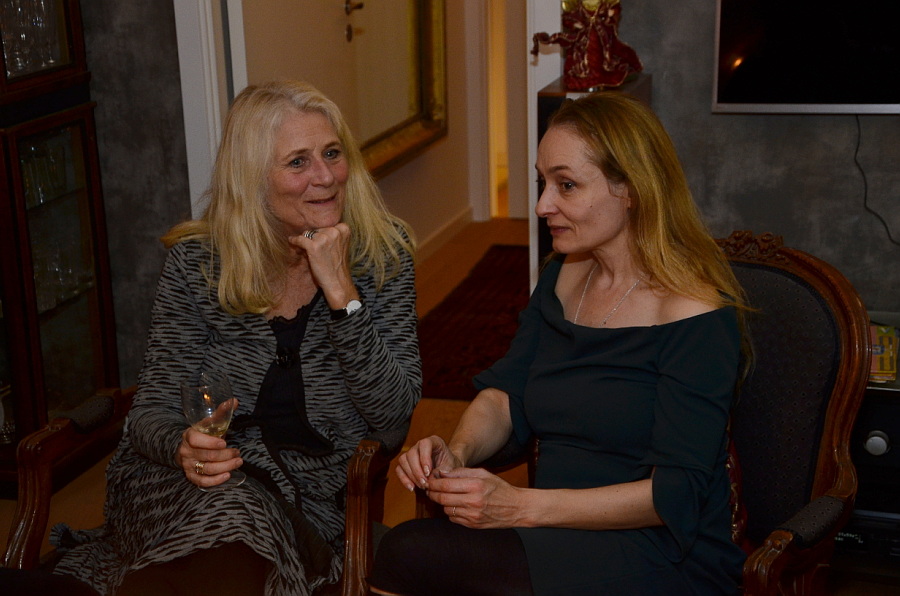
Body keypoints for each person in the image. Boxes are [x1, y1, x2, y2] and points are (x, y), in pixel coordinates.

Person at [49, 80, 421, 596]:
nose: (325, 176)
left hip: (303, 499)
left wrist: (342, 293)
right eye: (298, 162)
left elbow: (393, 419)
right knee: (227, 517)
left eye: (333, 153)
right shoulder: (199, 263)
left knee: (235, 524)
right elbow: (150, 411)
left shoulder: (382, 256)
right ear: (252, 178)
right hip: (179, 483)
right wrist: (182, 447)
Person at [369, 92, 748, 595]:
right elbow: (505, 396)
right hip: (551, 528)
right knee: (408, 553)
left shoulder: (695, 315)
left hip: (659, 549)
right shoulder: (562, 278)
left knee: (408, 553)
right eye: (542, 183)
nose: (543, 205)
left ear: (631, 189)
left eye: (566, 185)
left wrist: (520, 507)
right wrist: (456, 454)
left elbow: (675, 494)